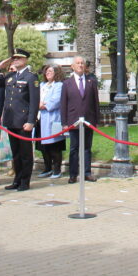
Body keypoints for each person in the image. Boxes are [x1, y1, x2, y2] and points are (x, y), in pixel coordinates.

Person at [0, 48, 38, 191]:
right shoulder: (10, 76)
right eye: (14, 58)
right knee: (15, 153)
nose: (16, 60)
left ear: (25, 60)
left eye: (19, 58)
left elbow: (34, 101)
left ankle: (25, 181)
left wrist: (31, 121)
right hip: (11, 120)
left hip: (23, 120)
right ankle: (17, 179)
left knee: (25, 153)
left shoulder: (30, 77)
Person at [59, 55, 98, 183]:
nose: (80, 65)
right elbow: (63, 104)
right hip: (73, 121)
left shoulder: (91, 82)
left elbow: (95, 102)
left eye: (82, 63)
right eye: (78, 63)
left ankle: (87, 172)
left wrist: (96, 120)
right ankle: (73, 174)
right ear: (73, 66)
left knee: (87, 148)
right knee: (74, 148)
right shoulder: (67, 83)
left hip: (88, 120)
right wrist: (64, 122)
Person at [35, 64, 65, 178]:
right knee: (43, 146)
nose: (48, 73)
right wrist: (38, 104)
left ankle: (57, 169)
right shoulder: (42, 85)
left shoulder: (59, 85)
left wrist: (42, 105)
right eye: (47, 71)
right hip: (40, 118)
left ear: (56, 73)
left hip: (53, 118)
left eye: (51, 71)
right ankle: (47, 168)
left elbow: (55, 100)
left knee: (55, 145)